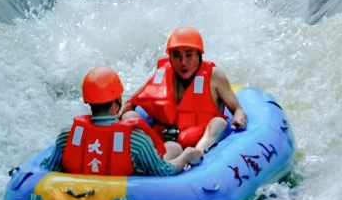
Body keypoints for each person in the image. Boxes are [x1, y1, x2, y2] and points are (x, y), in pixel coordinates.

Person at [46, 66, 200, 177]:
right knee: (173, 148)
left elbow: (47, 169)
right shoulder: (136, 140)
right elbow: (164, 171)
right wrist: (187, 155)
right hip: (124, 198)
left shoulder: (67, 136)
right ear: (118, 99)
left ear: (88, 102)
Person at [122, 27, 247, 159]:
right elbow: (131, 103)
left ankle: (197, 155)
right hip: (163, 140)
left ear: (198, 55)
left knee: (219, 122)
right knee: (130, 115)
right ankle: (148, 156)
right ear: (170, 58)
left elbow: (237, 109)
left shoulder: (214, 76)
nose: (183, 62)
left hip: (197, 139)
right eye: (177, 55)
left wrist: (239, 118)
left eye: (189, 55)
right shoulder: (162, 75)